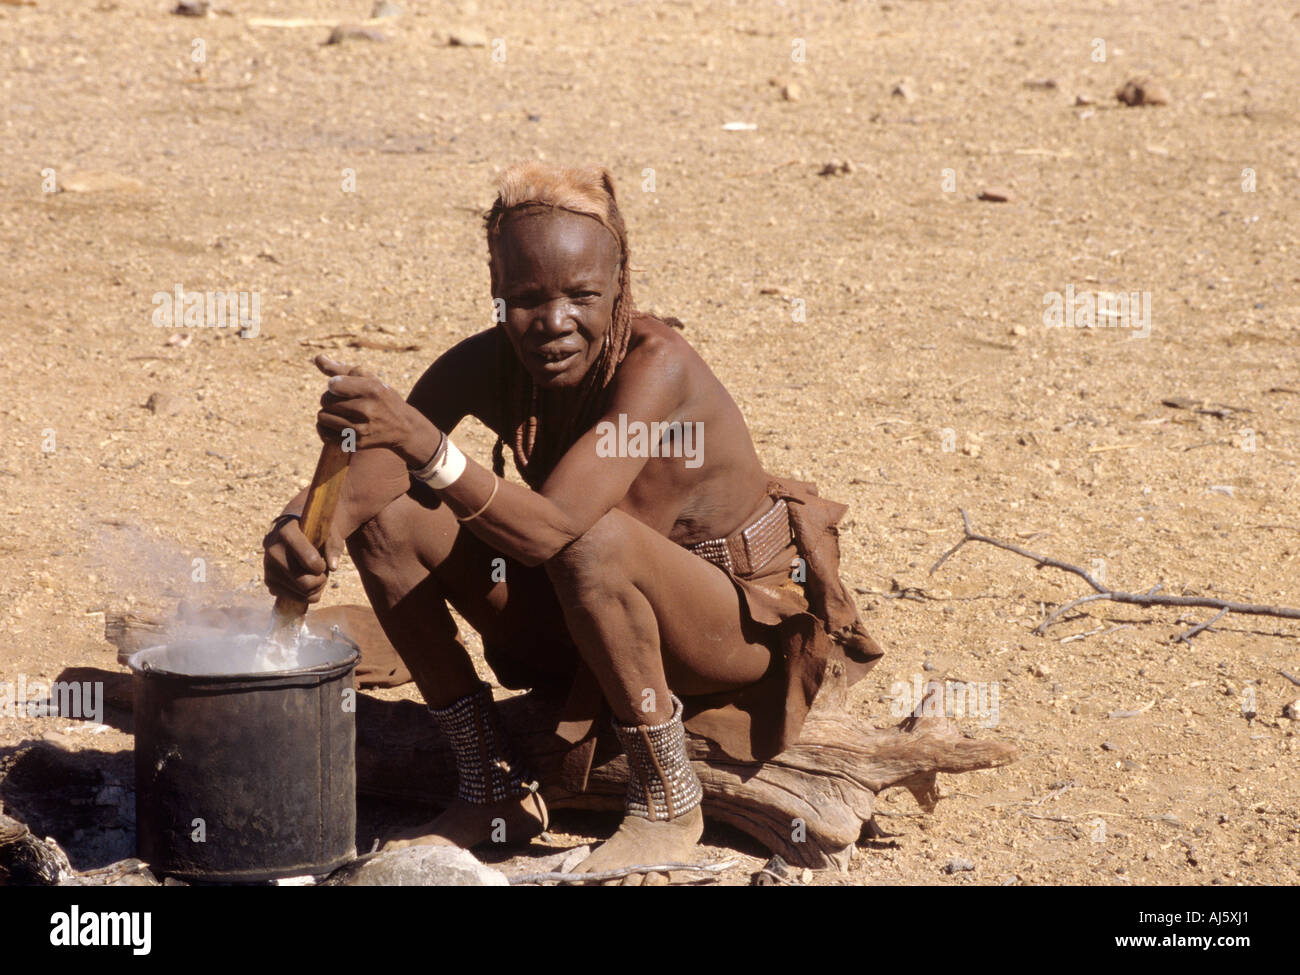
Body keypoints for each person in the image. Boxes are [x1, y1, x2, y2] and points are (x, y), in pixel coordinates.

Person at [263, 162, 883, 883]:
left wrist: (430, 449)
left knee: (590, 537)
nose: (554, 323)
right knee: (388, 523)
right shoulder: (489, 364)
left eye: (581, 295)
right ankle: (489, 781)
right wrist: (308, 528)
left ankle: (669, 798)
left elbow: (556, 526)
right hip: (589, 610)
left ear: (620, 284)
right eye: (526, 299)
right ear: (496, 292)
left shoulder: (659, 368)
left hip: (725, 630)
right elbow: (377, 466)